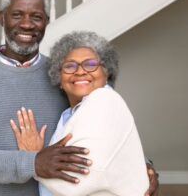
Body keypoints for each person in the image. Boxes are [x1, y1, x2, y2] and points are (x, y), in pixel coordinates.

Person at [0, 0, 159, 196]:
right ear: (1, 18)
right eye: (17, 15)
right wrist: (33, 162)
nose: (26, 24)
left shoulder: (64, 74)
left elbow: (106, 127)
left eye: (36, 17)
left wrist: (142, 167)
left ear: (46, 22)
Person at [11, 31, 150, 196]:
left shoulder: (104, 100)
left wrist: (34, 158)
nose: (80, 71)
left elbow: (77, 182)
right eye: (70, 65)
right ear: (59, 78)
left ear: (107, 73)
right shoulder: (69, 115)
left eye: (90, 64)